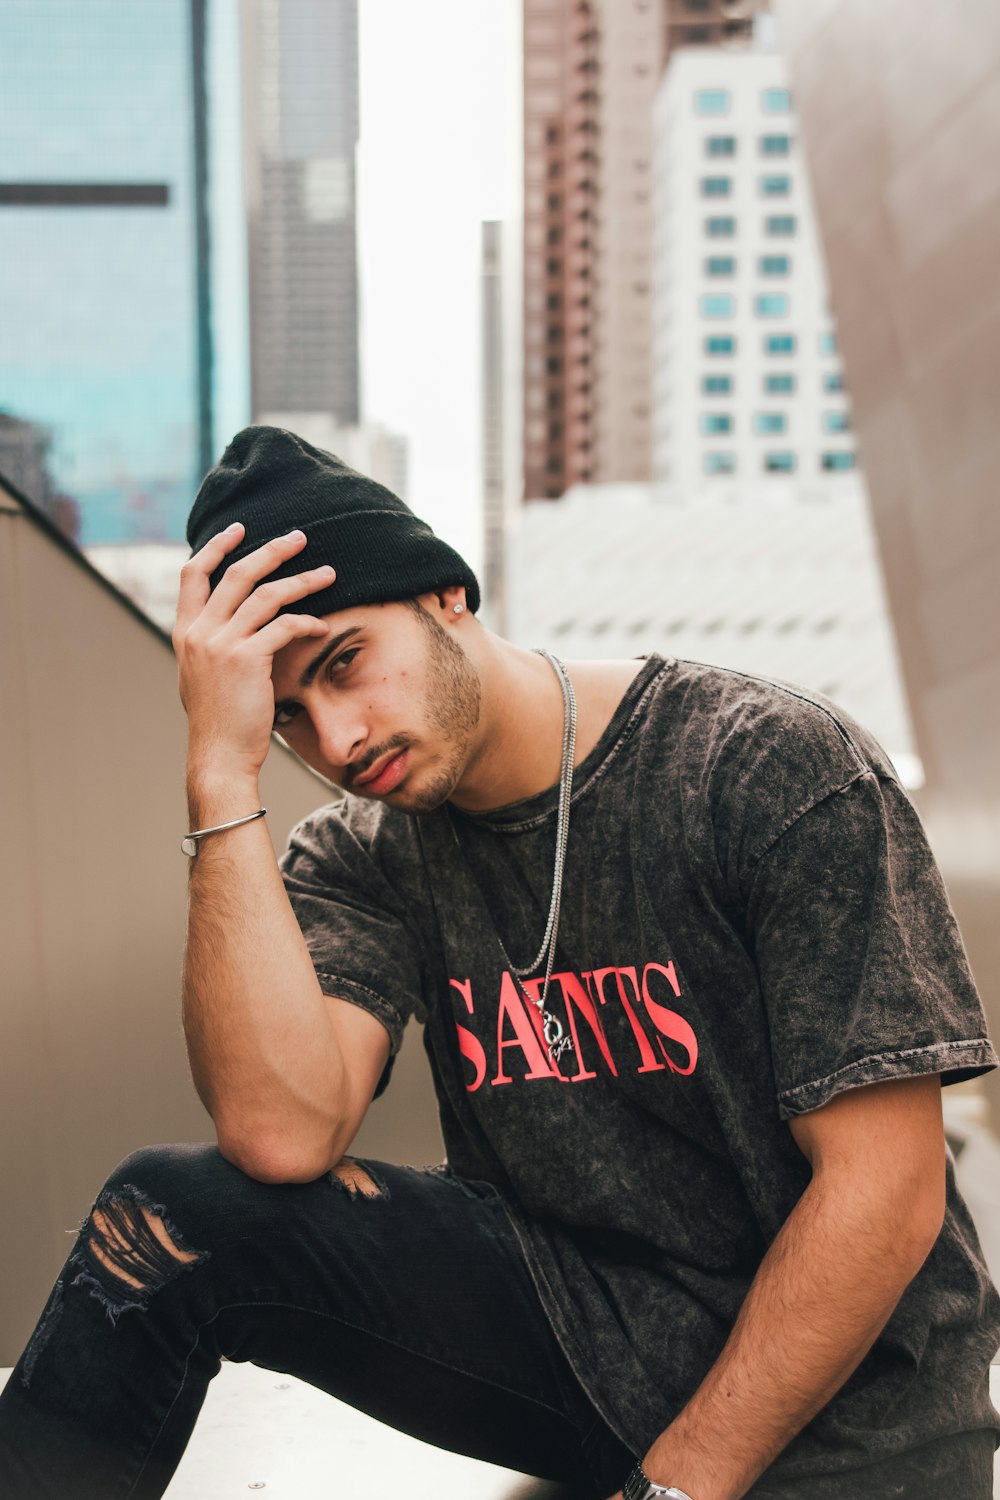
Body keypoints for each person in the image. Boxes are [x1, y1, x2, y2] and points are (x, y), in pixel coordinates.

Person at [1, 426, 998, 1500]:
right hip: (585, 1350)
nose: (336, 740)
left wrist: (677, 1487)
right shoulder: (360, 855)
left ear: (444, 598)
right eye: (286, 716)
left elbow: (885, 1194)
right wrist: (217, 766)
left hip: (856, 1419)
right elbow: (279, 1135)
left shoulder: (759, 768)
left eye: (344, 665)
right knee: (170, 1217)